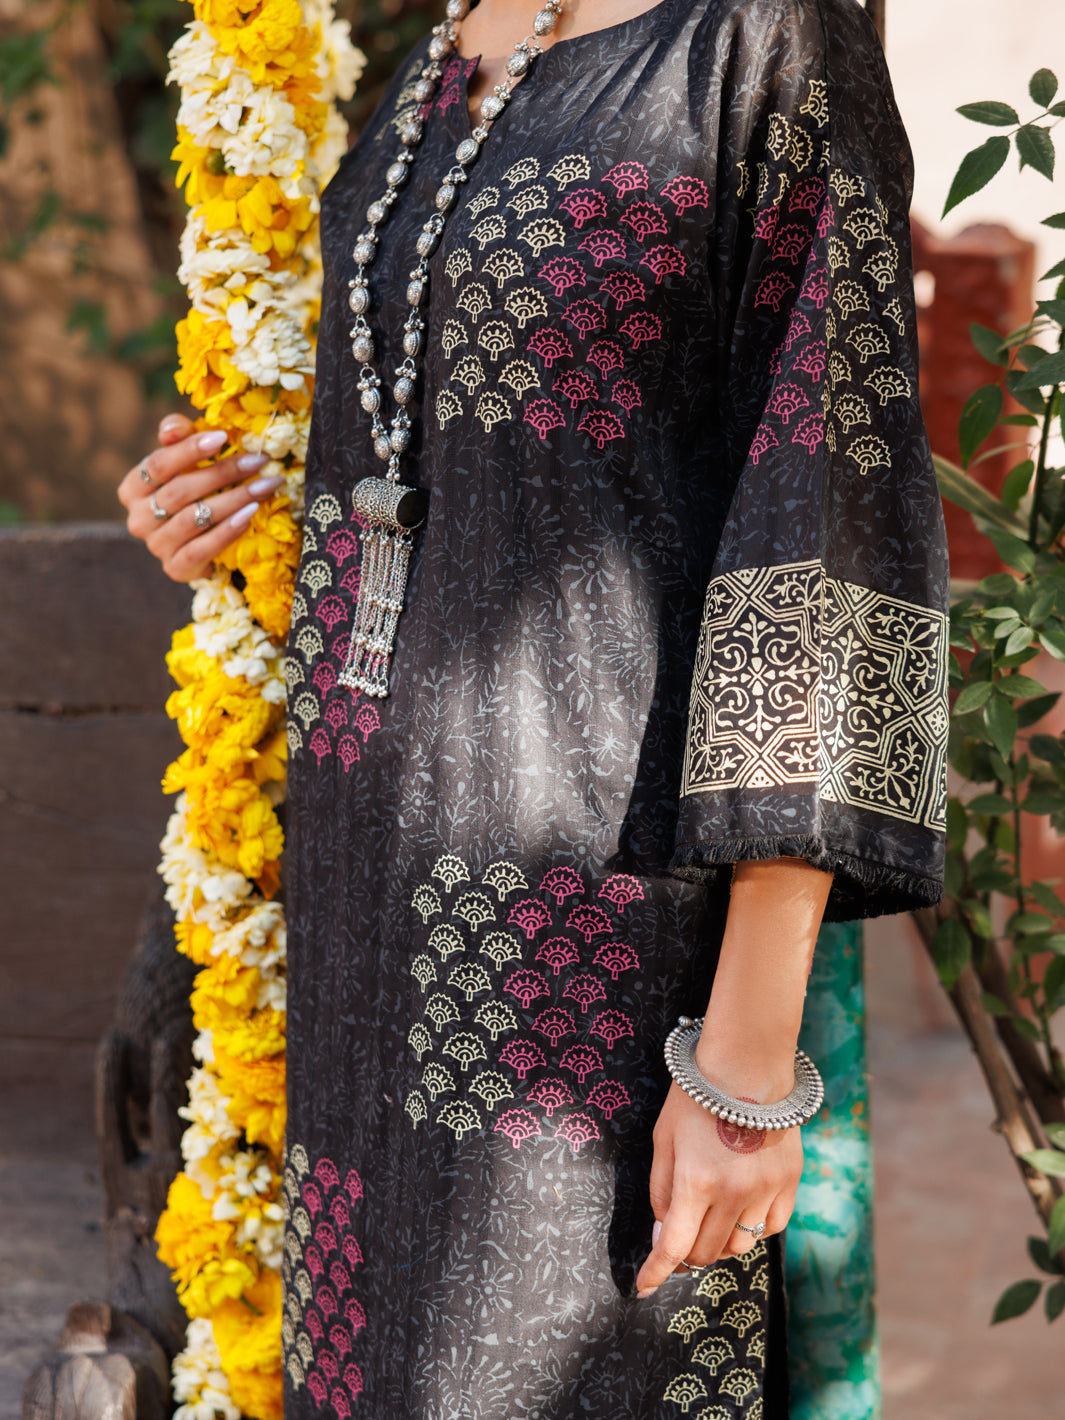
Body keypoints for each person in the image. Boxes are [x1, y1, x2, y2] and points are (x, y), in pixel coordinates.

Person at [120, 0, 949, 1412]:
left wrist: (744, 1063)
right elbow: (445, 451)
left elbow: (827, 517)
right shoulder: (439, 57)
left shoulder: (756, 40)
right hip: (355, 930)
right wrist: (227, 506)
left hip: (589, 957)